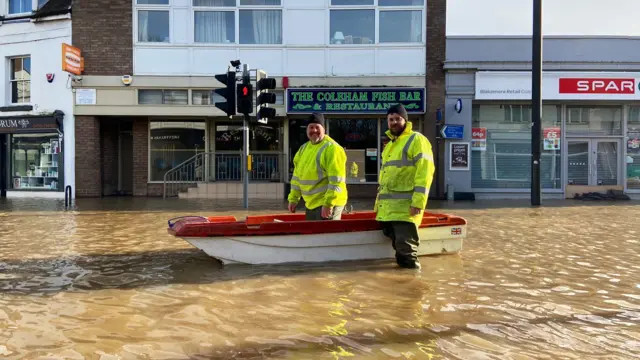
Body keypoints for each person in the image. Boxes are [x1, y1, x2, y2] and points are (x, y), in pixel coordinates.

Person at [375, 104, 435, 269]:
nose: (394, 122)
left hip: (405, 209)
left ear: (405, 120)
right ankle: (400, 286)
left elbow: (425, 172)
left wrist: (418, 202)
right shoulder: (391, 145)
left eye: (397, 119)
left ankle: (411, 287)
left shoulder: (416, 139)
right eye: (391, 119)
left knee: (407, 253)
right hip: (388, 210)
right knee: (399, 251)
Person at [287, 113, 348, 220]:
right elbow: (296, 177)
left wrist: (329, 204)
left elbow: (336, 180)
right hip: (311, 204)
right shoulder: (303, 149)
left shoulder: (332, 148)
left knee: (326, 236)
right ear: (306, 130)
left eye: (317, 127)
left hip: (328, 203)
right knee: (313, 235)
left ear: (324, 129)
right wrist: (293, 198)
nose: (314, 130)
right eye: (311, 127)